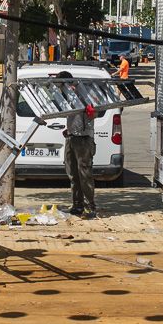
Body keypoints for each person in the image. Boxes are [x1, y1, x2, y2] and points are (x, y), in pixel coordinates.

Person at [55, 70, 97, 217]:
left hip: (83, 139)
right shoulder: (67, 97)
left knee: (84, 173)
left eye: (60, 85)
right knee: (72, 172)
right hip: (72, 137)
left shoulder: (81, 94)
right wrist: (70, 130)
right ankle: (77, 205)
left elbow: (93, 112)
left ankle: (89, 206)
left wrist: (90, 111)